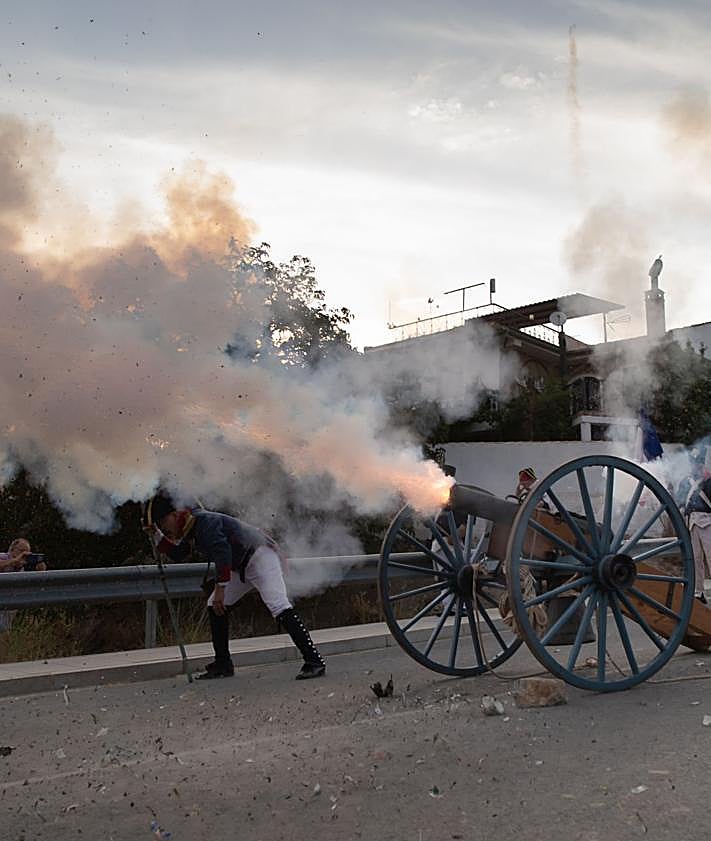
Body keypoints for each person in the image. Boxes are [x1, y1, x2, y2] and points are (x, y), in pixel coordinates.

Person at [144, 494, 326, 680]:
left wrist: (221, 590)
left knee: (278, 606)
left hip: (260, 558)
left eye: (163, 522)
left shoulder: (205, 522)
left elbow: (223, 553)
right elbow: (180, 554)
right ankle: (223, 664)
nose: (165, 527)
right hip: (241, 567)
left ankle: (314, 661)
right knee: (213, 606)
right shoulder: (192, 525)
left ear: (175, 515)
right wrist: (157, 535)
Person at [677, 449, 711, 603]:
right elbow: (680, 500)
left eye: (698, 463)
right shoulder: (686, 482)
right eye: (694, 463)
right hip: (691, 522)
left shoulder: (708, 481)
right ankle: (698, 591)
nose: (696, 467)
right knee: (695, 558)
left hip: (707, 520)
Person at [0, 538, 46, 632]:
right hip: (3, 599)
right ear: (12, 549)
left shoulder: (23, 565)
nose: (24, 555)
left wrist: (40, 567)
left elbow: (39, 581)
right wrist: (15, 560)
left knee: (4, 629)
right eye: (22, 551)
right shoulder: (4, 557)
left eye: (27, 552)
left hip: (9, 602)